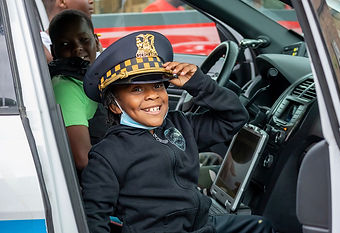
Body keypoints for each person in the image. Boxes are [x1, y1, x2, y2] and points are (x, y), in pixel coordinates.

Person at [81, 30, 274, 233]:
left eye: (157, 86)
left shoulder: (180, 125)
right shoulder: (107, 154)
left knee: (261, 226)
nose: (152, 96)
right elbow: (94, 217)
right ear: (114, 105)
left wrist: (198, 83)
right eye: (137, 90)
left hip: (200, 224)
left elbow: (235, 117)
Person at [48, 9, 100, 171]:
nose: (77, 48)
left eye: (84, 40)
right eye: (65, 44)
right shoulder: (66, 87)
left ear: (96, 42)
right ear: (53, 51)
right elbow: (83, 159)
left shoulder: (94, 78)